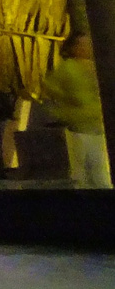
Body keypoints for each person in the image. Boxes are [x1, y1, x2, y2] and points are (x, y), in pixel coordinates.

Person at [42, 33, 111, 189]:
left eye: (88, 44)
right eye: (82, 44)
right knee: (82, 173)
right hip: (79, 128)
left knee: (101, 170)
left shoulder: (97, 66)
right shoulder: (68, 67)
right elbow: (50, 88)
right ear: (73, 48)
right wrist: (66, 107)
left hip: (99, 125)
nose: (86, 48)